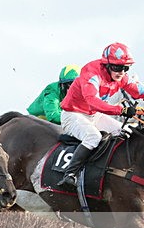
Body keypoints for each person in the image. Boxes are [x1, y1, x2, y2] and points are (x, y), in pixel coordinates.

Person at [58, 42, 144, 187]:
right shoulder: (91, 74)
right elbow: (93, 102)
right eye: (117, 67)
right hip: (73, 114)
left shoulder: (120, 77)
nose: (121, 72)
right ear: (106, 64)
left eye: (125, 68)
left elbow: (139, 91)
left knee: (124, 132)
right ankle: (70, 174)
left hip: (94, 115)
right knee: (94, 137)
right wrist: (121, 110)